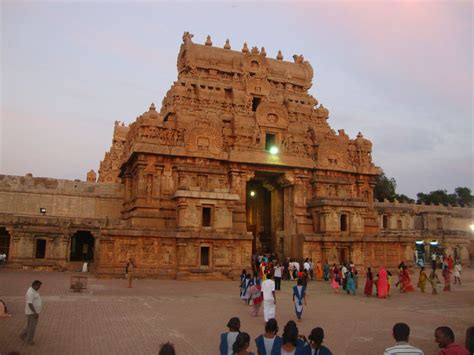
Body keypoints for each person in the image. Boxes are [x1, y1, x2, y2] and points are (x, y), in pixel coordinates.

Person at [19, 280, 43, 345]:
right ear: (35, 285)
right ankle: (29, 340)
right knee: (32, 327)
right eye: (38, 286)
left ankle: (22, 335)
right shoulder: (31, 292)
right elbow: (30, 303)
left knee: (30, 326)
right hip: (32, 313)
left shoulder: (33, 290)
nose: (39, 287)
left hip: (34, 312)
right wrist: (34, 312)